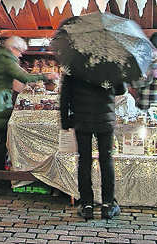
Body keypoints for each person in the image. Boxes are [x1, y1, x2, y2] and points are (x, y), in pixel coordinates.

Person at [0, 35, 56, 188]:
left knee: (1, 139)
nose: (21, 55)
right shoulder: (6, 60)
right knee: (2, 140)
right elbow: (24, 77)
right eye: (20, 51)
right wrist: (48, 75)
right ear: (13, 49)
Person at [60, 69, 124, 220]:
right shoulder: (110, 62)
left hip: (81, 119)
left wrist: (65, 120)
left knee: (84, 160)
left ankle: (86, 205)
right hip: (105, 117)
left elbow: (65, 96)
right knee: (106, 159)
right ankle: (108, 205)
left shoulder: (74, 65)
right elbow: (121, 89)